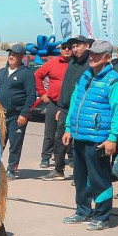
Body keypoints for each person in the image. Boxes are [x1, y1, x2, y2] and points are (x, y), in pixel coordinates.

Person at [62, 40, 118, 230]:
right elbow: (75, 101)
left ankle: (102, 216)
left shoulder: (114, 80)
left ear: (108, 57)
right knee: (80, 178)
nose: (92, 57)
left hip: (99, 139)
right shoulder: (86, 76)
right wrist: (68, 128)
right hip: (80, 135)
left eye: (97, 54)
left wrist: (113, 138)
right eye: (91, 53)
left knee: (99, 178)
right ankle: (82, 211)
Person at [42, 35, 93, 180]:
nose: (75, 49)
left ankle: (82, 175)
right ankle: (58, 169)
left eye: (78, 46)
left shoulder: (91, 63)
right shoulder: (72, 63)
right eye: (73, 47)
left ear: (86, 46)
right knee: (59, 138)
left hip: (83, 108)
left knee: (80, 141)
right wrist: (60, 106)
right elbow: (66, 86)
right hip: (65, 108)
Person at [0, 44, 37, 179]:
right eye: (10, 54)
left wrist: (24, 114)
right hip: (1, 115)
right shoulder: (1, 72)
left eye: (15, 55)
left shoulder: (26, 73)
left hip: (17, 116)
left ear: (22, 57)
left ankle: (12, 169)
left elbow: (31, 96)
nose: (11, 56)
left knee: (15, 144)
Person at [34, 40, 71, 169]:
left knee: (68, 131)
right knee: (50, 132)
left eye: (69, 48)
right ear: (60, 50)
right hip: (54, 103)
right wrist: (42, 93)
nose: (67, 50)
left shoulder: (75, 64)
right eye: (64, 48)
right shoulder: (53, 62)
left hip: (70, 105)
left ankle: (68, 157)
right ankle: (46, 157)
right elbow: (37, 75)